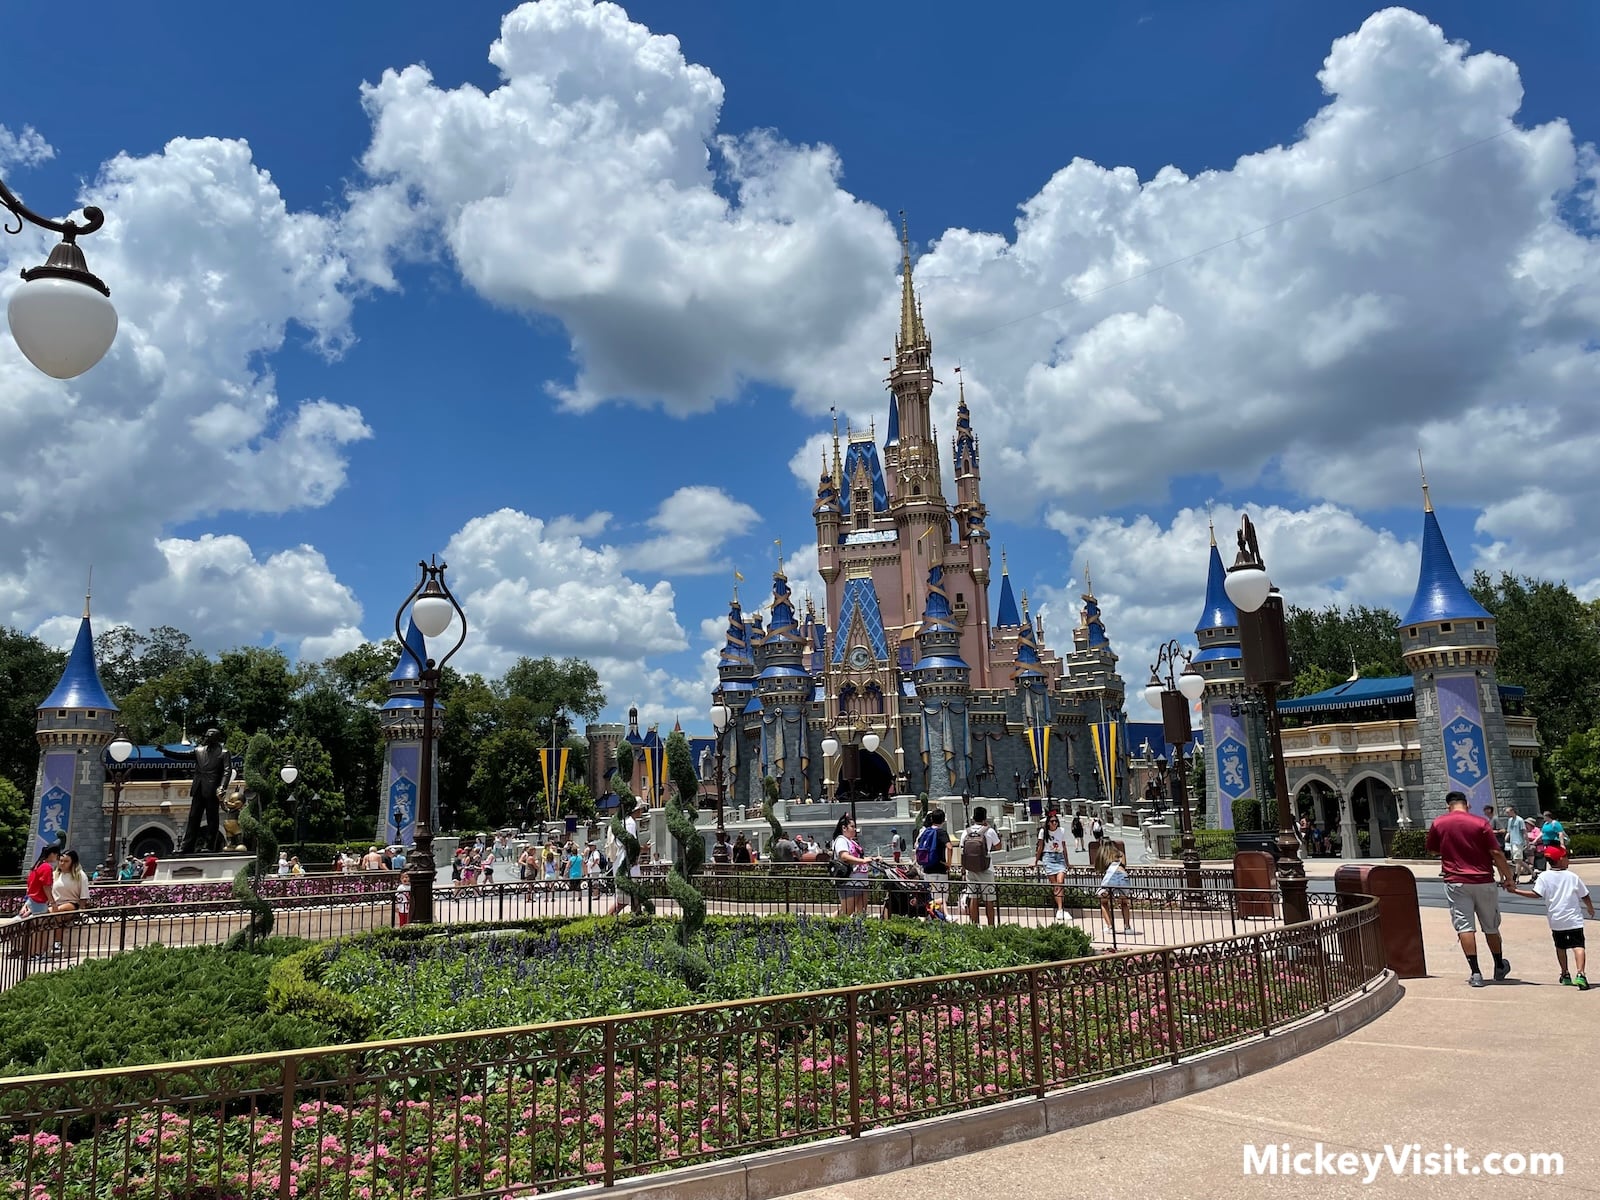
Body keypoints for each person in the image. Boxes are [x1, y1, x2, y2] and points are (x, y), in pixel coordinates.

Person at [1425, 790, 1516, 987]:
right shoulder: (1480, 823)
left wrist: (1450, 848)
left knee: (1465, 926)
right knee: (1490, 926)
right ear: (1467, 805)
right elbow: (1495, 852)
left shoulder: (1439, 823)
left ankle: (1475, 973)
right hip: (1483, 880)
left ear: (1448, 806)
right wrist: (1508, 877)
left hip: (1456, 881)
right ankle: (1499, 965)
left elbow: (1432, 848)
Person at [1506, 846, 1591, 989]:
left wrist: (1516, 891)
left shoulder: (1544, 877)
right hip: (1573, 920)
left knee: (1560, 947)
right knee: (1578, 946)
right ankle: (1581, 974)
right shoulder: (1572, 877)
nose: (1568, 860)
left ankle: (1565, 974)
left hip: (1556, 920)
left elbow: (1536, 894)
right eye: (1567, 857)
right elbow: (1585, 895)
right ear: (1561, 859)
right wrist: (1590, 907)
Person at [158, 728, 235, 854]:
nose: (207, 738)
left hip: (212, 789)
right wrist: (165, 751)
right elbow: (182, 755)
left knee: (212, 818)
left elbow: (227, 771)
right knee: (193, 817)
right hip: (198, 787)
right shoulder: (199, 750)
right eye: (206, 735)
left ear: (216, 738)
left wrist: (222, 787)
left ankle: (209, 846)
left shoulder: (224, 753)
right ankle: (186, 846)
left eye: (210, 736)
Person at [960, 807, 1002, 926]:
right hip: (986, 868)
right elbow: (998, 846)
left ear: (973, 818)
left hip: (970, 869)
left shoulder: (966, 832)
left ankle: (975, 926)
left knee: (973, 898)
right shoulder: (989, 831)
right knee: (989, 899)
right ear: (985, 818)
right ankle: (991, 927)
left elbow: (962, 849)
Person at [607, 799, 646, 916]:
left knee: (632, 898)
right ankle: (607, 920)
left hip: (625, 864)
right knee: (624, 900)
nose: (642, 811)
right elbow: (630, 845)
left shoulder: (626, 822)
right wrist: (643, 849)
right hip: (626, 865)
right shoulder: (630, 823)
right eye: (641, 808)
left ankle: (636, 920)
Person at [830, 815, 874, 917]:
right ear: (844, 828)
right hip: (850, 882)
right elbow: (844, 856)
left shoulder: (852, 841)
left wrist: (872, 859)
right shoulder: (841, 840)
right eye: (852, 827)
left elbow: (858, 857)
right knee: (846, 912)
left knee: (861, 913)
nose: (855, 829)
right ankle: (829, 923)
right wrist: (863, 861)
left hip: (861, 882)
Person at [1035, 812, 1071, 921]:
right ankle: (1060, 910)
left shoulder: (1061, 831)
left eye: (1056, 821)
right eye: (1052, 821)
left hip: (1059, 857)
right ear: (1048, 823)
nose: (1054, 823)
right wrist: (1035, 861)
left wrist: (1067, 862)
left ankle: (1061, 908)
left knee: (1060, 882)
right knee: (1056, 885)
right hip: (1048, 858)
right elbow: (1040, 847)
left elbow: (1064, 847)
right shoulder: (1043, 832)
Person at [915, 809, 951, 911]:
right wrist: (949, 863)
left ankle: (932, 919)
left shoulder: (926, 832)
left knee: (931, 898)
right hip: (940, 869)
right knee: (942, 898)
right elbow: (949, 847)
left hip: (927, 868)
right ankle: (942, 919)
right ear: (943, 820)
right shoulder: (941, 832)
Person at [1098, 850, 1134, 934]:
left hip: (1110, 876)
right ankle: (1127, 927)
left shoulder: (1104, 853)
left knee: (1104, 901)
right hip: (1122, 875)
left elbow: (1099, 868)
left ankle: (1110, 927)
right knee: (1124, 902)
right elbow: (1124, 865)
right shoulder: (1120, 853)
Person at [1503, 806, 1527, 880]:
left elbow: (1524, 832)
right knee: (1518, 860)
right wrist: (1506, 839)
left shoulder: (1520, 820)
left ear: (1512, 811)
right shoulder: (1510, 820)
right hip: (1512, 842)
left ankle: (1516, 877)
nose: (1507, 814)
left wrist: (1527, 842)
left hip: (1519, 842)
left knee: (1517, 860)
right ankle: (1533, 873)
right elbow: (1509, 831)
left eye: (1508, 812)